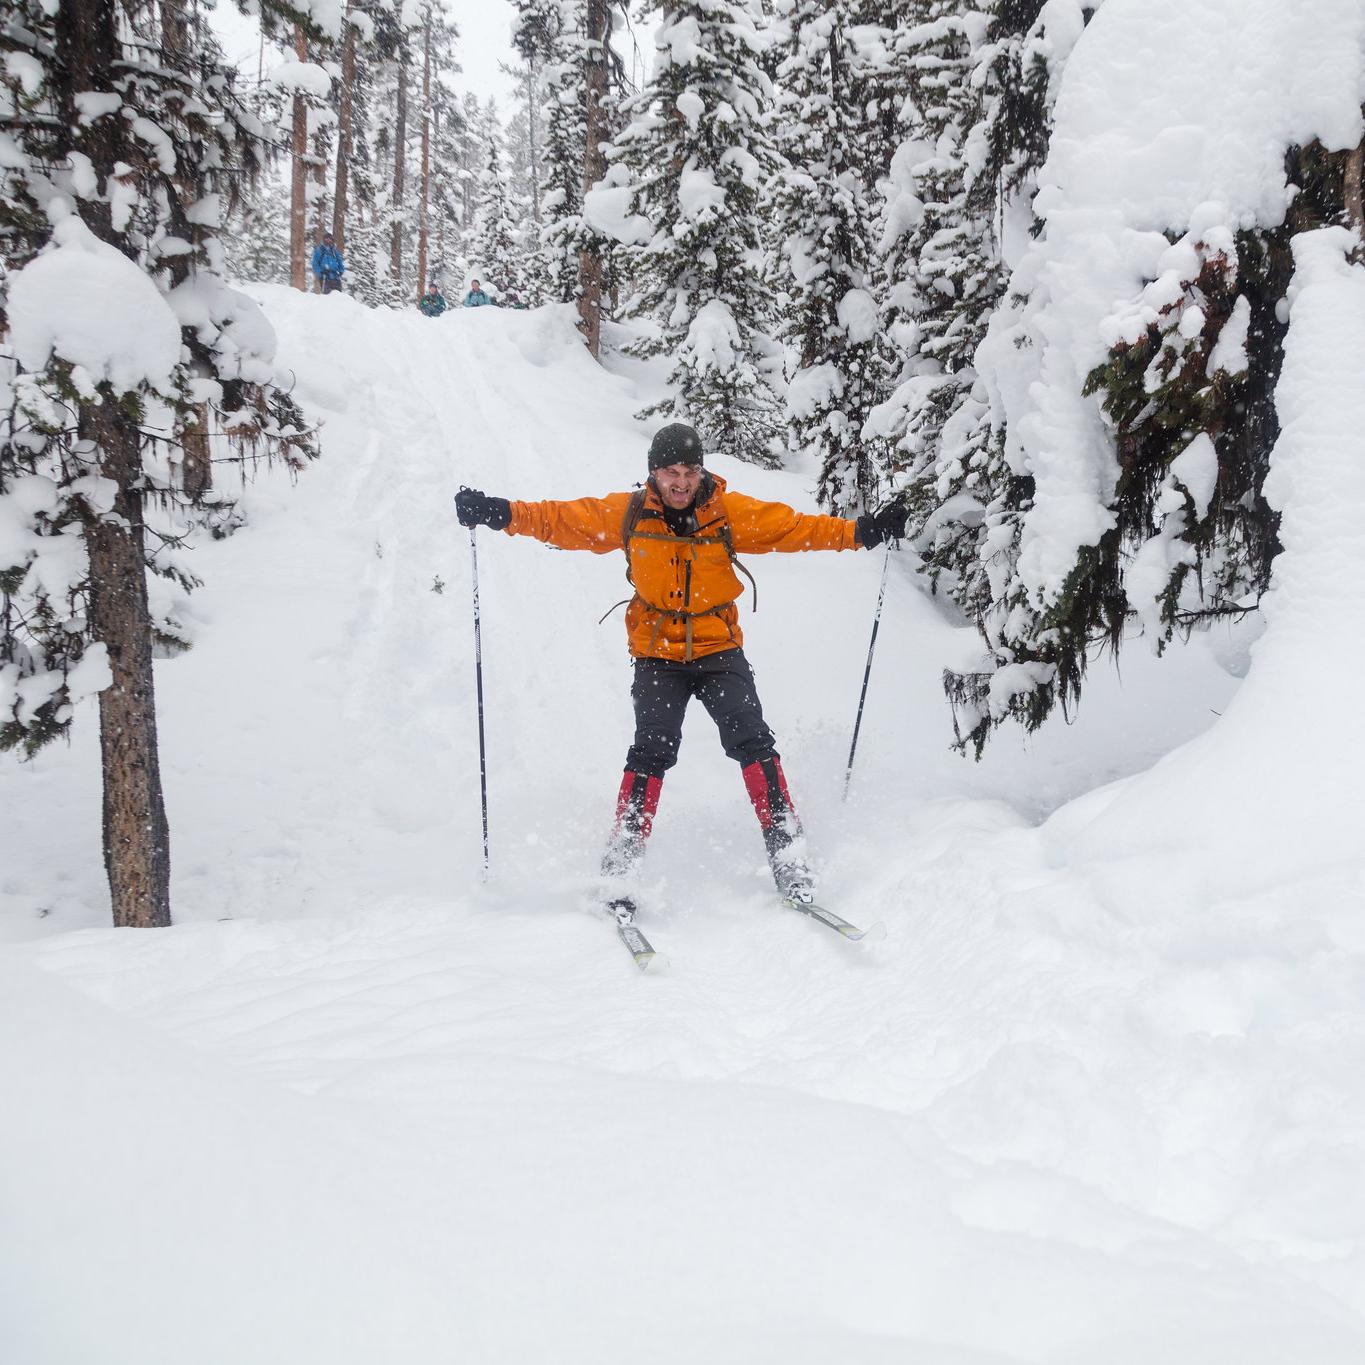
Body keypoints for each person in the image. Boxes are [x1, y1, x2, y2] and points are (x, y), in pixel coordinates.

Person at [454, 422, 908, 923]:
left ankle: (788, 850)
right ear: (654, 473)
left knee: (752, 739)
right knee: (651, 749)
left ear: (701, 472)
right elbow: (564, 520)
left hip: (718, 649)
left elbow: (795, 528)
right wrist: (499, 513)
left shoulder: (727, 514)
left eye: (690, 471)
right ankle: (622, 863)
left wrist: (862, 533)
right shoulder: (629, 514)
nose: (681, 482)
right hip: (657, 653)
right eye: (671, 472)